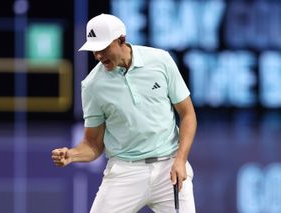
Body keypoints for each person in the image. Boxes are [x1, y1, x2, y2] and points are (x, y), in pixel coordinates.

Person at [52, 13, 197, 213]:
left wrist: (180, 160)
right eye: (94, 50)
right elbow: (93, 144)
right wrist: (72, 155)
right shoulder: (92, 86)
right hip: (125, 173)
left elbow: (188, 114)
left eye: (103, 48)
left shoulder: (161, 61)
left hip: (169, 169)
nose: (98, 55)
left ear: (121, 40)